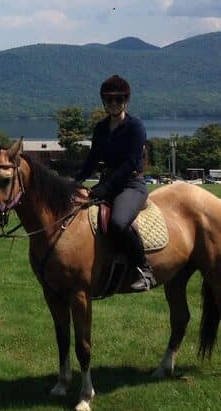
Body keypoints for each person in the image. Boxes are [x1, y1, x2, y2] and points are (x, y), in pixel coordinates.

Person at [75, 74, 155, 292]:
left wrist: (104, 188)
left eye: (118, 100)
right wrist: (75, 181)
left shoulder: (135, 127)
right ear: (104, 102)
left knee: (118, 222)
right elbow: (92, 159)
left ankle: (145, 269)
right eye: (109, 100)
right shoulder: (101, 128)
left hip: (131, 185)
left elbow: (130, 163)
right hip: (107, 183)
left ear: (126, 101)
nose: (113, 104)